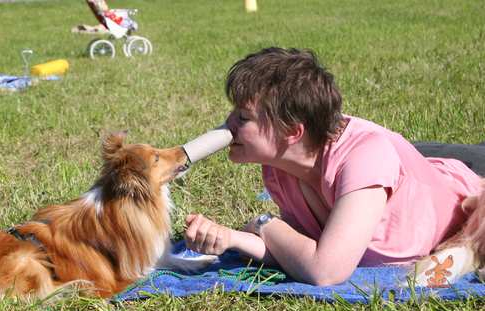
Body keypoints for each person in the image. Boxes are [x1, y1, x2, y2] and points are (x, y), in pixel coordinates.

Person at [184, 47, 483, 286]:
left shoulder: (365, 159)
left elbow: (325, 271)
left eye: (243, 118)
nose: (227, 125)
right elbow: (301, 254)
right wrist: (234, 238)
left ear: (292, 132)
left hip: (468, 193)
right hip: (413, 167)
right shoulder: (279, 166)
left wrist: (264, 224)